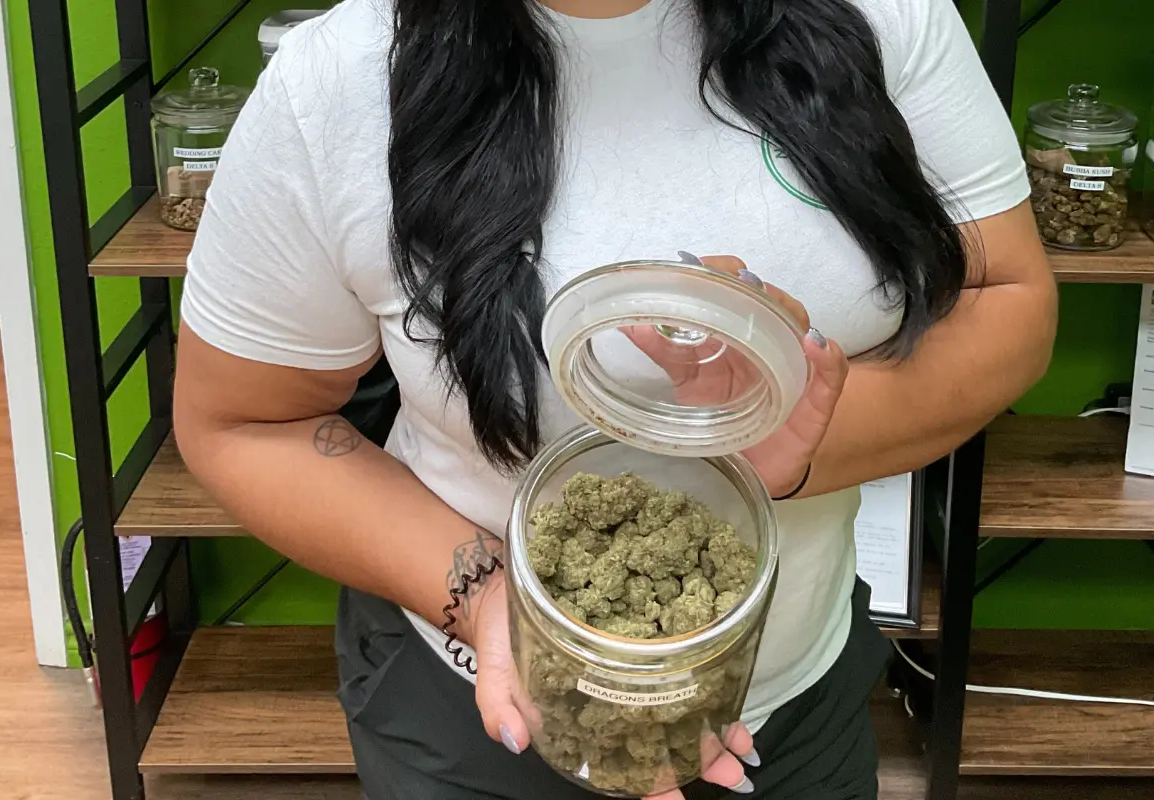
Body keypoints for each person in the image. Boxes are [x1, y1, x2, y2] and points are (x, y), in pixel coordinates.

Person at [172, 0, 1057, 797]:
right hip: (478, 717)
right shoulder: (337, 81)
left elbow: (1008, 303)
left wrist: (802, 437)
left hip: (793, 700)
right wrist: (489, 600)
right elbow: (245, 424)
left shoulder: (887, 14)